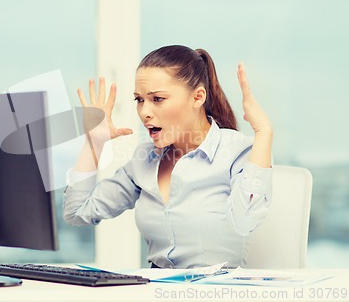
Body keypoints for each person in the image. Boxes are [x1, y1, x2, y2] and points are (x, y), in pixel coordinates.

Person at [63, 45, 273, 269]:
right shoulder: (144, 160)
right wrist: (94, 142)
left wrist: (264, 131)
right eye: (139, 100)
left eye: (158, 99)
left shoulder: (236, 152)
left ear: (198, 97)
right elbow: (77, 212)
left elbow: (246, 221)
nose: (145, 112)